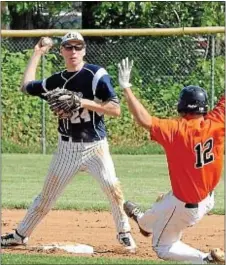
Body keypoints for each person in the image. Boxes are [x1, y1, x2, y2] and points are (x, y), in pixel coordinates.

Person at [1, 32, 136, 252]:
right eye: (68, 47)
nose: (73, 51)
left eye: (78, 47)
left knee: (112, 187)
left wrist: (81, 101)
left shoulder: (96, 75)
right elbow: (26, 86)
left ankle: (124, 232)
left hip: (95, 147)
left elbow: (115, 109)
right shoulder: (56, 80)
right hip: (67, 149)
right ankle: (20, 235)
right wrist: (36, 53)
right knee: (46, 198)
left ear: (84, 50)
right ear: (62, 50)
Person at [117, 58, 225, 264]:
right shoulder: (217, 122)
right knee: (161, 207)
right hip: (207, 198)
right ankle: (143, 221)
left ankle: (205, 260)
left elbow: (144, 120)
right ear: (204, 108)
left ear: (181, 107)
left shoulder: (175, 131)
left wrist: (126, 88)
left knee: (162, 246)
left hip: (185, 206)